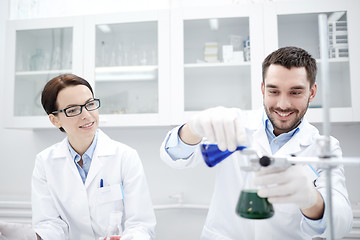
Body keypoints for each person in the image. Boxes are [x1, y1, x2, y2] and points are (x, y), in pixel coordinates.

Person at [160, 46, 353, 239]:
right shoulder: (233, 124)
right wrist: (194, 127)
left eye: (295, 92)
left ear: (312, 93)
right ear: (263, 89)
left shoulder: (324, 147)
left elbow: (341, 224)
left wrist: (312, 200)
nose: (283, 104)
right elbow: (174, 157)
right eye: (274, 91)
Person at [32, 74, 156, 240]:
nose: (87, 115)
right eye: (73, 110)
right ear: (55, 120)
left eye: (90, 104)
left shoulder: (125, 157)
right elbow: (50, 223)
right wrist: (33, 236)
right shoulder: (45, 162)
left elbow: (140, 225)